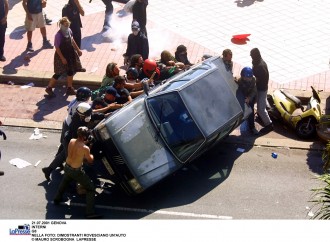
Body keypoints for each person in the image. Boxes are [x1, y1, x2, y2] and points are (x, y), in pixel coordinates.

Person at [53, 126, 102, 219]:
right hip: (76, 172)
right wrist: (89, 148)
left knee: (65, 182)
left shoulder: (71, 141)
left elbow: (77, 148)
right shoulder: (85, 148)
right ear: (85, 137)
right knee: (91, 188)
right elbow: (90, 160)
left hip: (67, 167)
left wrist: (85, 144)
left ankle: (57, 198)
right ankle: (90, 212)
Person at [45, 17, 84, 97]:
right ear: (62, 25)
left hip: (70, 54)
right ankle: (49, 87)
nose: (67, 26)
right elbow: (57, 47)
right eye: (65, 25)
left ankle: (69, 88)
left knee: (70, 71)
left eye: (68, 25)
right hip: (61, 55)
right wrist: (62, 58)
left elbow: (72, 40)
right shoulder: (58, 35)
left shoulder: (69, 31)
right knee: (58, 73)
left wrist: (78, 49)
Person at [250, 47, 274, 134]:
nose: (251, 56)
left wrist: (253, 80)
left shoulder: (260, 66)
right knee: (260, 103)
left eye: (252, 55)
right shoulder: (258, 62)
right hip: (260, 88)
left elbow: (261, 79)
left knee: (261, 109)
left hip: (261, 89)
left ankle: (269, 124)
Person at [237, 67, 258, 135]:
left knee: (251, 112)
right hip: (242, 98)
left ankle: (252, 127)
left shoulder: (253, 81)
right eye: (247, 78)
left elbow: (254, 91)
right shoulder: (239, 81)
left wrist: (249, 98)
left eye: (250, 78)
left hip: (250, 98)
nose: (249, 79)